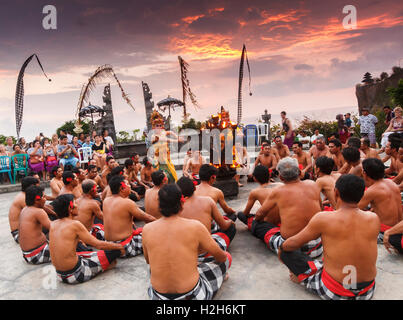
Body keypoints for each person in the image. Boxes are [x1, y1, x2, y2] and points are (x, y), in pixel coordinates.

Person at [278, 174, 379, 300]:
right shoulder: (373, 218)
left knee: (287, 251)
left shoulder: (324, 218)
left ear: (336, 193)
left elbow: (293, 243)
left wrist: (281, 249)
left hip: (337, 292)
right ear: (362, 195)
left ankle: (305, 279)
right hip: (366, 291)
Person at [142, 184, 232, 300]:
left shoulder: (147, 229)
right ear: (182, 202)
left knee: (154, 269)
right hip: (193, 295)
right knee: (227, 257)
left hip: (158, 297)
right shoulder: (195, 226)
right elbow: (221, 257)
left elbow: (148, 260)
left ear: (159, 205)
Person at [240, 157, 323, 260]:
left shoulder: (278, 191)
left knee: (257, 225)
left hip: (292, 249)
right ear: (299, 172)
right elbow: (321, 208)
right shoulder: (313, 184)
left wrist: (256, 223)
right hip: (318, 245)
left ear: (281, 176)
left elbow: (260, 214)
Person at [49, 194, 124, 284]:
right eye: (75, 203)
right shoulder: (75, 224)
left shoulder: (53, 224)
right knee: (114, 252)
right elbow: (98, 245)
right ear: (70, 208)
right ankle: (101, 267)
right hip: (76, 274)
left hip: (60, 275)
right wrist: (119, 246)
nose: (78, 205)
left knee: (86, 250)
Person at [177, 176, 236, 256]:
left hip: (185, 252)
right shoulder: (208, 200)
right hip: (205, 251)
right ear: (195, 188)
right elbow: (224, 226)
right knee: (231, 227)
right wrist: (230, 222)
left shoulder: (175, 208)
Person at [103, 175, 156, 258]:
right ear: (122, 188)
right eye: (127, 184)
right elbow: (147, 218)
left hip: (108, 245)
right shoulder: (127, 202)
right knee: (155, 235)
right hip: (125, 246)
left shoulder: (106, 201)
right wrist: (162, 224)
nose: (130, 186)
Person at [358, 158, 402, 242]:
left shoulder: (372, 190)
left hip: (385, 231)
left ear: (364, 173)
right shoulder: (391, 183)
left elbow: (354, 209)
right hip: (399, 227)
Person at [19, 185, 52, 264]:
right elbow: (54, 228)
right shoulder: (38, 212)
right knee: (68, 245)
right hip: (37, 255)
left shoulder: (25, 209)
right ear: (37, 200)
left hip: (28, 255)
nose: (45, 199)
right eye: (44, 197)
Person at [149, 110, 182, 183]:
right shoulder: (153, 136)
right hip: (159, 158)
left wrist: (176, 136)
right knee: (161, 175)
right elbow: (166, 139)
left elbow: (170, 132)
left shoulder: (163, 132)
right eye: (157, 125)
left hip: (166, 156)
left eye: (160, 125)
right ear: (154, 127)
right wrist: (177, 140)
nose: (159, 127)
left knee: (171, 173)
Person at [8, 177, 40, 243]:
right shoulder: (23, 198)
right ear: (31, 187)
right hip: (18, 234)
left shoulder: (26, 195)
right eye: (36, 187)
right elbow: (38, 212)